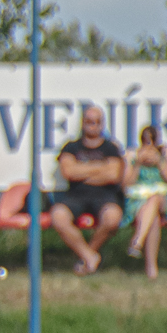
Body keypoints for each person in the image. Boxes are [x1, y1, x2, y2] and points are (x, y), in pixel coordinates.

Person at [48, 106, 126, 276]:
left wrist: (82, 171)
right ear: (83, 123)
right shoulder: (71, 147)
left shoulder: (111, 148)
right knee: (58, 216)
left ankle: (86, 257)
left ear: (102, 124)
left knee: (113, 218)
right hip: (76, 195)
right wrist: (100, 168)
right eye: (89, 121)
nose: (93, 125)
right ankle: (90, 257)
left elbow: (114, 175)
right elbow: (68, 172)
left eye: (96, 122)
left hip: (105, 195)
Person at [123, 125, 167, 280]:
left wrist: (159, 162)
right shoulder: (132, 155)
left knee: (154, 199)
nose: (149, 144)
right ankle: (151, 268)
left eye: (152, 140)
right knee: (152, 218)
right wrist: (138, 163)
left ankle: (137, 240)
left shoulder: (165, 153)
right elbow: (126, 184)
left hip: (162, 198)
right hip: (138, 199)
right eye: (145, 141)